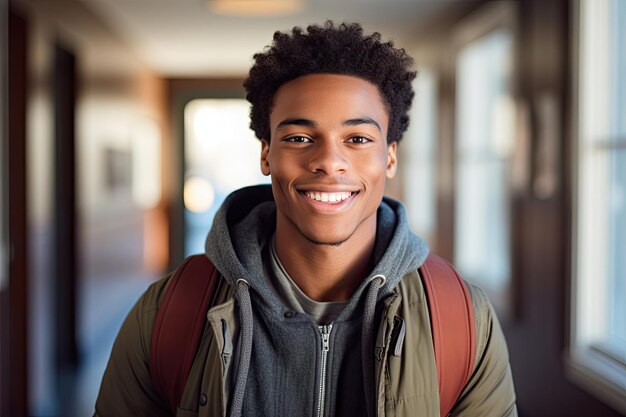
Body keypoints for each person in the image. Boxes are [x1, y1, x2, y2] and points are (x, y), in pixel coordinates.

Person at [94, 21, 517, 417]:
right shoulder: (169, 314)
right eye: (299, 138)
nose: (329, 161)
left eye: (357, 139)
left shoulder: (461, 321)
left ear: (389, 157)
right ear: (266, 154)